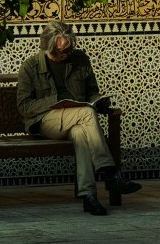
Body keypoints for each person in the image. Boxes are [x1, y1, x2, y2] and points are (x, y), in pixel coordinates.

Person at [16, 21, 142, 216]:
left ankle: (88, 196)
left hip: (77, 120)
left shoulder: (80, 59)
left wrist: (98, 102)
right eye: (60, 50)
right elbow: (24, 106)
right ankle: (110, 173)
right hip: (46, 122)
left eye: (68, 49)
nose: (66, 54)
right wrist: (55, 101)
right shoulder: (31, 66)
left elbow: (92, 91)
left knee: (81, 134)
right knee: (86, 113)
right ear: (48, 46)